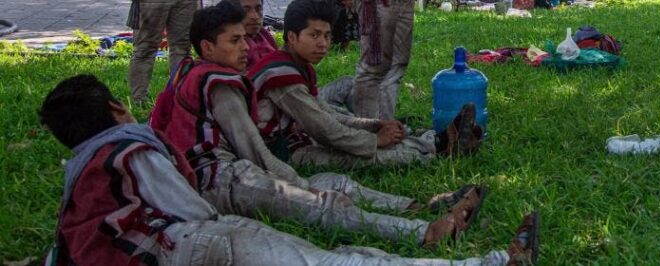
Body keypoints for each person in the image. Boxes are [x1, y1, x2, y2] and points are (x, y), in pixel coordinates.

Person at [39, 75, 539, 266]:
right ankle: (486, 260)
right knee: (325, 235)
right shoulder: (134, 143)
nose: (249, 38)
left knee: (331, 217)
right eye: (239, 32)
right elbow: (227, 169)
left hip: (196, 225)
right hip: (195, 226)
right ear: (116, 110)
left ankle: (426, 222)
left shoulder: (81, 168)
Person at [161, 0, 484, 248]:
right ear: (207, 47)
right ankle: (427, 224)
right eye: (235, 41)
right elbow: (260, 150)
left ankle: (416, 206)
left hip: (239, 167)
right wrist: (301, 182)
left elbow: (323, 115)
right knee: (322, 201)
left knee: (337, 183)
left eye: (245, 39)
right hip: (222, 175)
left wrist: (372, 127)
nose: (246, 48)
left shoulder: (202, 72)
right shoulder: (222, 82)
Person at [250, 0, 481, 173]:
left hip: (297, 137)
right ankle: (437, 150)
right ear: (291, 37)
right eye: (314, 35)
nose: (323, 44)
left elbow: (326, 113)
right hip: (278, 153)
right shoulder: (281, 74)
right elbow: (324, 128)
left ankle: (438, 139)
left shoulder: (300, 66)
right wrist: (373, 140)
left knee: (366, 136)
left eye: (328, 36)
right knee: (361, 155)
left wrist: (373, 125)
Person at [221, 0, 278, 66]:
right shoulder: (229, 48)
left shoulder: (265, 36)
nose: (254, 16)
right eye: (246, 10)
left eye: (258, 9)